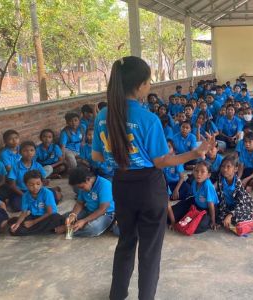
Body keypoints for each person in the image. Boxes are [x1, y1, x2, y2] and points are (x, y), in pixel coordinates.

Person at [91, 56, 212, 300]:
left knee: (126, 242)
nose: (150, 86)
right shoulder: (148, 119)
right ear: (138, 86)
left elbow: (97, 156)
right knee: (149, 249)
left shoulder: (102, 116)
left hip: (121, 186)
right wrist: (195, 152)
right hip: (148, 187)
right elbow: (162, 161)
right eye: (148, 82)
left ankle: (117, 295)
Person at [56, 168, 116, 237]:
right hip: (88, 210)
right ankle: (75, 226)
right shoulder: (82, 185)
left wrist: (84, 221)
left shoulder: (104, 184)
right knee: (65, 218)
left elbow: (102, 209)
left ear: (88, 179)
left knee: (92, 228)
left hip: (106, 214)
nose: (81, 190)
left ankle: (69, 229)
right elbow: (79, 203)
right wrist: (73, 215)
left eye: (82, 187)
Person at [8, 170, 63, 236]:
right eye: (31, 185)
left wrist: (33, 222)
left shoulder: (47, 193)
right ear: (26, 185)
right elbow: (24, 213)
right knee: (13, 230)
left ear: (42, 183)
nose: (35, 187)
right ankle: (48, 230)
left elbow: (49, 212)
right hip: (34, 216)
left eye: (38, 184)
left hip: (48, 216)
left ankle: (37, 229)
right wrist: (17, 224)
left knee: (56, 218)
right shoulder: (25, 196)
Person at [169, 161, 219, 233]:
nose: (198, 174)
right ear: (193, 171)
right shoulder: (194, 182)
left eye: (202, 172)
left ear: (208, 175)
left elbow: (211, 205)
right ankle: (181, 219)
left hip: (208, 209)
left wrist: (213, 221)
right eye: (196, 171)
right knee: (173, 214)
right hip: (196, 204)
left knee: (197, 226)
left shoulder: (208, 185)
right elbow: (194, 197)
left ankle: (186, 220)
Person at [216, 155, 253, 230]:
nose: (225, 169)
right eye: (223, 166)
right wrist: (219, 220)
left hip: (243, 204)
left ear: (235, 169)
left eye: (228, 167)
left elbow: (241, 204)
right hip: (229, 206)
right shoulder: (220, 180)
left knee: (237, 220)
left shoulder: (238, 183)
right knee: (219, 217)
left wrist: (230, 215)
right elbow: (221, 202)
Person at [7, 141, 48, 212]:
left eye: (32, 150)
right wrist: (25, 195)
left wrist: (39, 188)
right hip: (21, 191)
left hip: (36, 190)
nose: (29, 153)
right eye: (25, 151)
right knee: (17, 206)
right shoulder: (15, 166)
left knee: (51, 197)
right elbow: (12, 185)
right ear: (20, 153)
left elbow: (43, 180)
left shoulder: (37, 165)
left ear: (35, 152)